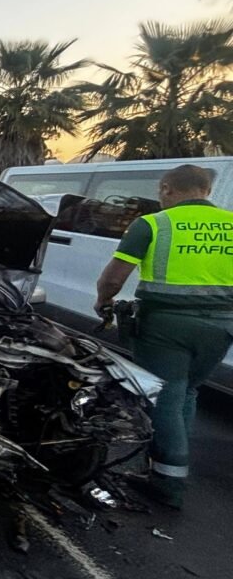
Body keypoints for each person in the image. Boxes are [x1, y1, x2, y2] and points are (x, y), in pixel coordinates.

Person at [95, 164, 233, 509]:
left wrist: (104, 301)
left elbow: (114, 278)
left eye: (161, 192)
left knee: (165, 397)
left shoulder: (153, 223)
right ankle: (172, 467)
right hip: (222, 327)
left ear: (167, 188)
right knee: (187, 392)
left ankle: (168, 484)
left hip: (166, 326)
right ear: (206, 191)